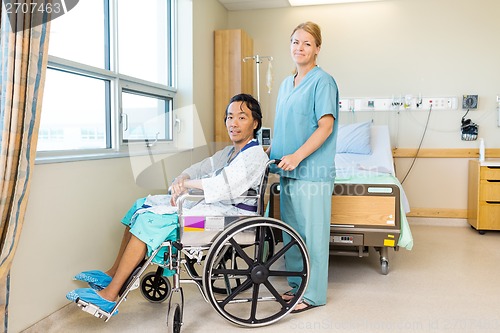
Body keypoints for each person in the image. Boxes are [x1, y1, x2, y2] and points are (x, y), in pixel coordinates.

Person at [66, 93, 269, 313]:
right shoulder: (229, 153)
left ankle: (110, 295)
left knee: (149, 220)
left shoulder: (255, 155)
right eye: (230, 117)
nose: (233, 123)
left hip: (226, 221)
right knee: (140, 205)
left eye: (241, 117)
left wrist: (189, 184)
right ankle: (114, 273)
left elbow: (223, 185)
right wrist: (183, 178)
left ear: (255, 122)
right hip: (213, 210)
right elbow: (200, 168)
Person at [268, 21, 339, 313]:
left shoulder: (324, 81)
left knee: (312, 235)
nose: (300, 48)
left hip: (312, 172)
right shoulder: (287, 83)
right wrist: (268, 153)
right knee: (293, 233)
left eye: (307, 43)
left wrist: (297, 156)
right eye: (295, 42)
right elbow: (284, 126)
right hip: (287, 171)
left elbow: (325, 126)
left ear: (317, 49)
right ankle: (298, 288)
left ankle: (313, 295)